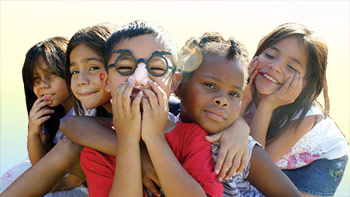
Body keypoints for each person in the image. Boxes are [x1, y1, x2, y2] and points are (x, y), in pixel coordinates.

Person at [172, 32, 301, 196]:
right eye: (210, 85)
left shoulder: (243, 150)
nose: (222, 100)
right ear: (179, 85)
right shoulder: (161, 127)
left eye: (234, 94)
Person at [1, 24, 115, 196]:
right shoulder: (50, 114)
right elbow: (42, 168)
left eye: (51, 74)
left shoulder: (91, 107)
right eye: (36, 80)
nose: (43, 86)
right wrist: (33, 133)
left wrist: (70, 181)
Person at [242, 22, 349, 196]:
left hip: (316, 164)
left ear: (304, 83)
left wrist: (267, 105)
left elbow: (257, 167)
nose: (275, 66)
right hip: (273, 159)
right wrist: (243, 98)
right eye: (269, 55)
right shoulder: (241, 85)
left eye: (291, 67)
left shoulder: (307, 117)